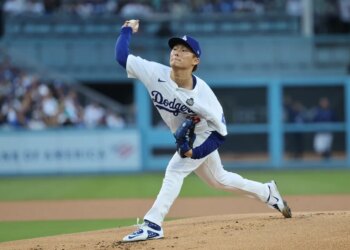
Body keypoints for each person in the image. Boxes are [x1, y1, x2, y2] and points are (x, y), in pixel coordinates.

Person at [115, 19, 292, 242]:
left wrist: (195, 153)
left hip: (204, 135)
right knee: (219, 179)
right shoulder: (154, 73)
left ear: (195, 60)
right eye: (175, 48)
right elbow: (122, 57)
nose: (176, 52)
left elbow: (220, 134)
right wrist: (126, 29)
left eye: (184, 50)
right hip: (188, 136)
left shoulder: (204, 97)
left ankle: (153, 224)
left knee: (175, 170)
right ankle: (267, 192)